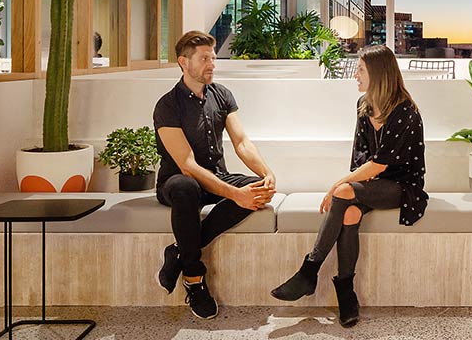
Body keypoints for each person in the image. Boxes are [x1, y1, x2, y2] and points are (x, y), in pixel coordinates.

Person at [270, 44, 428, 327]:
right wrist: (349, 184)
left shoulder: (404, 110)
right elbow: (360, 156)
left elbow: (381, 163)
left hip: (402, 186)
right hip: (372, 182)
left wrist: (337, 186)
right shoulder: (364, 106)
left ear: (378, 74)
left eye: (361, 70)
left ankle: (309, 270)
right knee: (350, 213)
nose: (355, 74)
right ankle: (346, 293)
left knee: (343, 192)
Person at [153, 30, 276, 319]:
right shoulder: (167, 105)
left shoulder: (222, 94)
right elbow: (187, 165)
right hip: (178, 181)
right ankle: (194, 279)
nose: (212, 64)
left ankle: (180, 252)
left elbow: (242, 143)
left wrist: (266, 173)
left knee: (258, 189)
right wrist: (234, 194)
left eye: (213, 57)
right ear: (184, 62)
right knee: (185, 188)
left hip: (214, 176)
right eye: (205, 58)